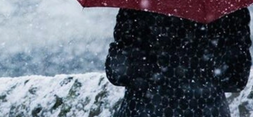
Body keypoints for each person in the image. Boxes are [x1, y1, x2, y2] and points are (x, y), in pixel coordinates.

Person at [106, 7, 252, 117]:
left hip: (143, 110)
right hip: (207, 111)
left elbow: (117, 73)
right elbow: (236, 79)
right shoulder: (226, 3)